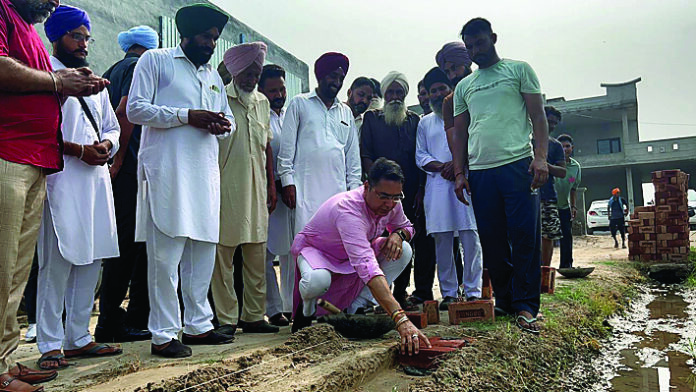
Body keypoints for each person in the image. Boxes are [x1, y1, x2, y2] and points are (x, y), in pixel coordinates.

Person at [0, 0, 109, 388]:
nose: (53, 2)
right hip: (8, 152)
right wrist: (61, 82)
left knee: (14, 272)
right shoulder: (2, 13)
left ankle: (6, 361)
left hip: (36, 160)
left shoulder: (27, 28)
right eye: (75, 35)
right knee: (5, 266)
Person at [127, 3, 236, 358]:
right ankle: (163, 334)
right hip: (168, 172)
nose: (211, 44)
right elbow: (136, 109)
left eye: (215, 38)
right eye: (206, 36)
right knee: (166, 257)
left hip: (204, 174)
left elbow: (229, 121)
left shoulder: (213, 76)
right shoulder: (156, 61)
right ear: (186, 34)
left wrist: (220, 124)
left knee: (202, 251)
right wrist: (186, 115)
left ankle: (199, 325)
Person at [36, 5, 124, 371]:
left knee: (92, 259)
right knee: (57, 263)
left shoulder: (95, 82)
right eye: (76, 36)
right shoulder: (44, 78)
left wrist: (107, 146)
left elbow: (113, 126)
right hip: (61, 180)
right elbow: (40, 132)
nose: (83, 43)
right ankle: (50, 343)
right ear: (56, 37)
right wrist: (78, 150)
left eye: (87, 37)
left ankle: (78, 338)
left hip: (95, 181)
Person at [450, 18, 549, 335]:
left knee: (524, 236)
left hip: (518, 164)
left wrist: (542, 158)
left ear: (492, 38)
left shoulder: (519, 70)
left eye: (479, 42)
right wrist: (459, 174)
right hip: (480, 173)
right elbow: (460, 134)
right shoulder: (464, 87)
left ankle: (526, 305)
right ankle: (506, 299)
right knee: (492, 241)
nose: (474, 50)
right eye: (469, 46)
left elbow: (538, 116)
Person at [291, 158, 431, 355]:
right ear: (367, 187)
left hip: (352, 258)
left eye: (396, 197)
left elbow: (406, 227)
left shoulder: (393, 202)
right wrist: (401, 318)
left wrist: (398, 235)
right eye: (383, 196)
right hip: (319, 254)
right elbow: (367, 266)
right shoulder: (348, 209)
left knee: (403, 250)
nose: (390, 204)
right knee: (317, 281)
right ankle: (306, 313)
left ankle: (357, 308)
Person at [96, 25, 159, 344]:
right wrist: (119, 161)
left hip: (118, 167)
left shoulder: (113, 68)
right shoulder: (137, 67)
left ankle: (115, 318)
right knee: (131, 247)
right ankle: (115, 321)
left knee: (122, 246)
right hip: (129, 168)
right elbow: (125, 112)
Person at [212, 42, 279, 335]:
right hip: (226, 185)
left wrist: (272, 186)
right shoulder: (218, 98)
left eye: (257, 73)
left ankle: (253, 315)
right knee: (223, 254)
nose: (252, 78)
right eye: (247, 72)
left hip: (258, 187)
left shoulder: (262, 102)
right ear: (235, 70)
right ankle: (226, 319)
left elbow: (266, 146)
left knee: (256, 252)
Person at [416, 67, 483, 309]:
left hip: (463, 182)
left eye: (441, 89)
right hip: (437, 187)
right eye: (432, 91)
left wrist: (456, 166)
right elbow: (420, 156)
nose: (436, 94)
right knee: (442, 241)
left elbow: (473, 147)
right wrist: (443, 166)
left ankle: (473, 291)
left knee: (470, 238)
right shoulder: (424, 123)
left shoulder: (465, 116)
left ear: (451, 91)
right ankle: (450, 293)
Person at [360, 71, 427, 309]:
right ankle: (375, 295)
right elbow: (365, 154)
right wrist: (377, 185)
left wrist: (420, 189)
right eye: (391, 92)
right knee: (377, 241)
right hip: (378, 195)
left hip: (408, 194)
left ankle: (400, 293)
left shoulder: (414, 121)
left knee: (406, 240)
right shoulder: (372, 119)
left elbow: (419, 159)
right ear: (384, 94)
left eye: (400, 92)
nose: (396, 97)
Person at [277, 52, 362, 239]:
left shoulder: (346, 112)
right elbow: (286, 153)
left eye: (341, 78)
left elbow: (353, 160)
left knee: (334, 249)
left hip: (337, 196)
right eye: (333, 76)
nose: (337, 82)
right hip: (304, 193)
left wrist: (354, 194)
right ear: (321, 75)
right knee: (303, 248)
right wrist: (287, 183)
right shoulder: (300, 103)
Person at [258, 64, 294, 326]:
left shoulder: (289, 115)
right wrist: (273, 186)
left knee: (291, 250)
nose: (279, 94)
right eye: (272, 90)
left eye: (281, 88)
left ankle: (291, 305)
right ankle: (272, 309)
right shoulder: (261, 115)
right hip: (267, 192)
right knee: (266, 253)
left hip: (289, 194)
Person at [539, 106, 567, 266]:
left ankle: (544, 272)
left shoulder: (555, 146)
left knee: (548, 235)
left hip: (547, 196)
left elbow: (562, 172)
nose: (552, 126)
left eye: (555, 123)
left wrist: (543, 164)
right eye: (549, 121)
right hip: (524, 195)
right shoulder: (525, 140)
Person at [436, 41, 473, 145]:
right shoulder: (449, 102)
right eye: (447, 72)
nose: (452, 76)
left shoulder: (488, 88)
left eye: (454, 68)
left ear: (466, 63)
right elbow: (455, 145)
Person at [554, 133, 582, 268]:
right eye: (561, 146)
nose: (565, 149)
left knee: (566, 236)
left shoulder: (576, 167)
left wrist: (574, 207)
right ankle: (541, 267)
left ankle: (566, 265)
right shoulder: (551, 162)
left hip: (564, 207)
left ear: (572, 148)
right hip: (549, 205)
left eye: (567, 146)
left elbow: (573, 188)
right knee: (546, 236)